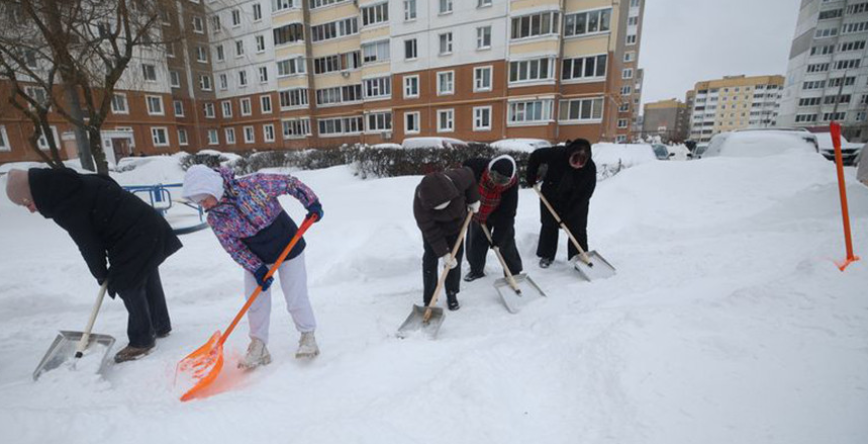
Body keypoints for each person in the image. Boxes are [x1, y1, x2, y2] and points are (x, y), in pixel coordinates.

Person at [5, 168, 182, 363]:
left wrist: (101, 273)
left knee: (126, 283)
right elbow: (106, 181)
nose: (30, 210)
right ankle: (160, 325)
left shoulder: (65, 203)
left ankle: (142, 341)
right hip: (145, 224)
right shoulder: (70, 184)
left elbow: (88, 244)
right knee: (144, 272)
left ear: (35, 194)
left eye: (27, 203)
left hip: (134, 234)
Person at [182, 165, 323, 369]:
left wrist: (311, 202)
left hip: (288, 245)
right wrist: (255, 267)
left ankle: (307, 336)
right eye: (199, 202)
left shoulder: (254, 185)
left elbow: (290, 183)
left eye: (204, 199)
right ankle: (259, 345)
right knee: (255, 301)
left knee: (295, 296)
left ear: (213, 188)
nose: (203, 205)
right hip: (258, 255)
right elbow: (234, 247)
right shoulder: (215, 218)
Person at [413, 167, 480, 311]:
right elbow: (430, 230)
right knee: (430, 259)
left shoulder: (458, 178)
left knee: (454, 261)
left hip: (456, 227)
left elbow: (471, 177)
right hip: (435, 230)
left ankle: (452, 293)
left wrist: (473, 199)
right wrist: (443, 252)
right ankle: (429, 298)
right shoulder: (421, 205)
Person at [526, 139, 597, 268]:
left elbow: (586, 194)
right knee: (549, 225)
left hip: (576, 200)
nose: (577, 165)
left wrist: (570, 213)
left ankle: (579, 258)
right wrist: (531, 176)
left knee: (578, 228)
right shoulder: (557, 153)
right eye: (574, 161)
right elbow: (536, 156)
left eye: (581, 163)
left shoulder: (590, 168)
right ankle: (546, 255)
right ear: (570, 154)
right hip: (551, 196)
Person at [461, 155, 522, 282]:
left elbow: (508, 213)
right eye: (494, 176)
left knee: (506, 240)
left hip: (499, 210)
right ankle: (476, 269)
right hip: (478, 205)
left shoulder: (511, 184)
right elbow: (462, 178)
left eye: (502, 180)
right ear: (490, 170)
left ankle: (513, 272)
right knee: (476, 239)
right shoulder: (475, 167)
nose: (496, 182)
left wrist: (499, 236)